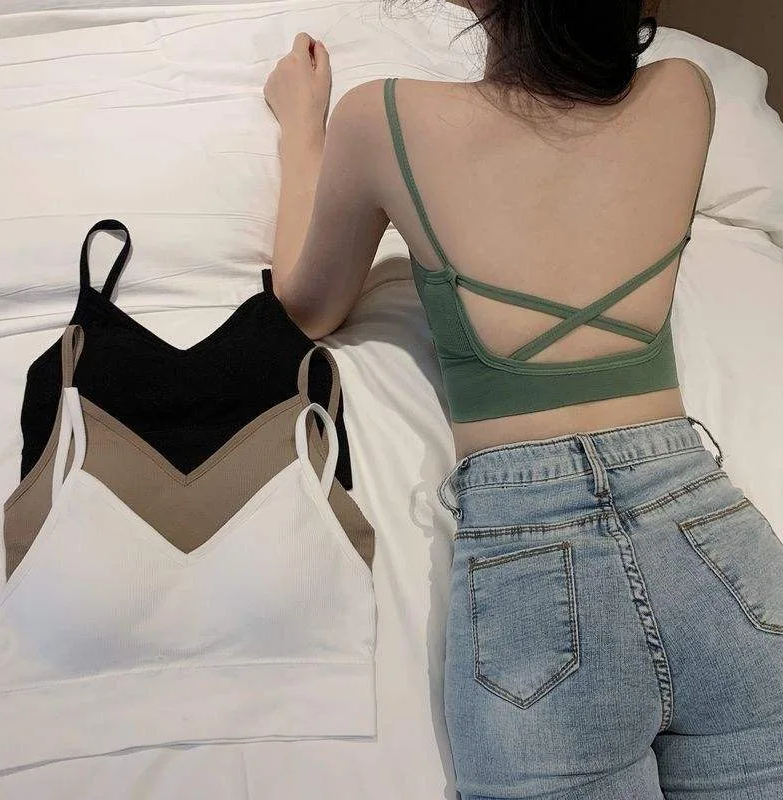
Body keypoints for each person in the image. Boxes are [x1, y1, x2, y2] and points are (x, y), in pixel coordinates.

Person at [263, 2, 783, 797]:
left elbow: (306, 308)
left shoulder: (383, 118)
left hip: (534, 557)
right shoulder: (686, 90)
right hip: (714, 540)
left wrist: (303, 129)